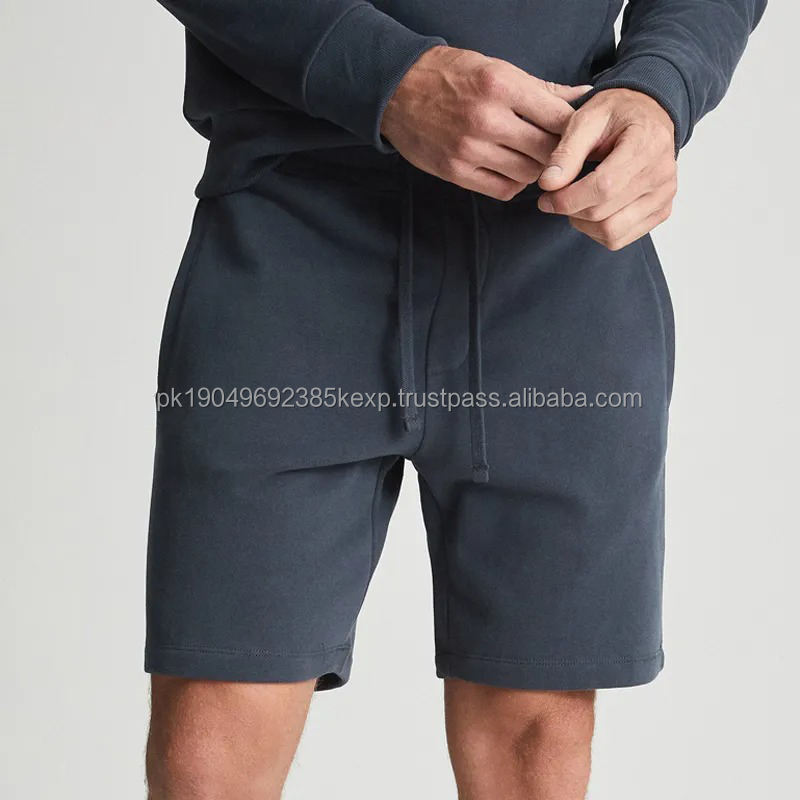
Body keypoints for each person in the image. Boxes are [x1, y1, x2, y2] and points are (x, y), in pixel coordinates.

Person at [144, 1, 765, 797]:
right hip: (288, 234)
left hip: (559, 247)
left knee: (536, 744)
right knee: (208, 745)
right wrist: (387, 75)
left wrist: (659, 87)